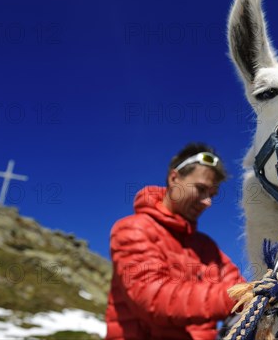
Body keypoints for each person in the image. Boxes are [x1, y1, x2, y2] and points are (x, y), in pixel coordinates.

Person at [105, 143, 245, 340]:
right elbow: (153, 298)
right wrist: (234, 297)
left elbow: (241, 288)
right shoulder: (133, 228)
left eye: (212, 195)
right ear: (174, 178)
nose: (207, 202)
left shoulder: (207, 248)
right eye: (201, 189)